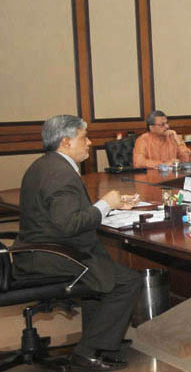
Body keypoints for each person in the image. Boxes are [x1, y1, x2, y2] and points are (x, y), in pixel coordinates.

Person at [13, 115, 142, 371]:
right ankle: (88, 352)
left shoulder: (45, 165)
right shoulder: (60, 174)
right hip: (52, 255)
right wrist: (105, 204)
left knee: (104, 274)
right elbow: (69, 224)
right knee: (127, 282)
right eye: (84, 137)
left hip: (40, 249)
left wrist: (109, 207)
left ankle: (98, 346)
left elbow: (62, 216)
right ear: (66, 142)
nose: (90, 143)